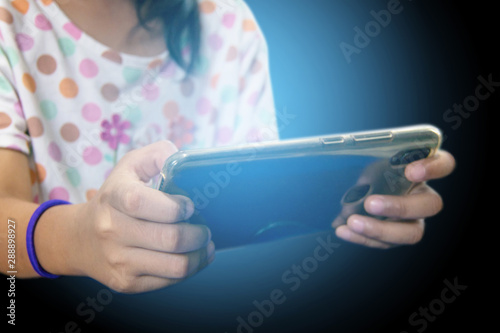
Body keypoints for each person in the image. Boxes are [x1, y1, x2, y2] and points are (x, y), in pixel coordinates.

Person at [0, 0, 455, 294]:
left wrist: (364, 196)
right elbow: (4, 241)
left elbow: (264, 203)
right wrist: (78, 239)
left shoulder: (230, 23)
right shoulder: (11, 24)